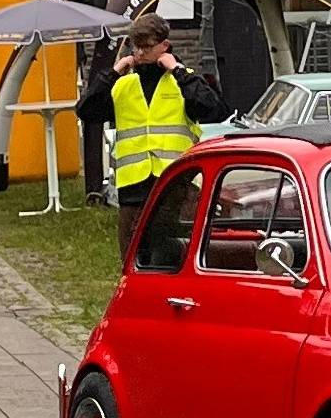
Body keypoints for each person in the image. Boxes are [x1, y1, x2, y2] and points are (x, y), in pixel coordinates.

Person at [77, 15, 227, 260]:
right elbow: (86, 110)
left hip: (174, 185)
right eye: (135, 46)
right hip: (132, 189)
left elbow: (214, 108)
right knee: (133, 260)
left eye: (146, 46)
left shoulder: (181, 80)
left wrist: (177, 70)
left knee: (169, 256)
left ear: (164, 46)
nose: (140, 52)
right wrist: (114, 71)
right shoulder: (123, 85)